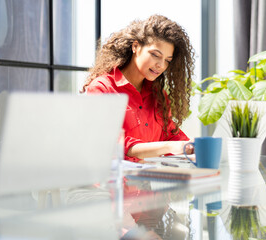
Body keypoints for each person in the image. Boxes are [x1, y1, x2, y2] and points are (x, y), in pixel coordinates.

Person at [82, 15, 195, 162]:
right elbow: (111, 143)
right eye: (155, 55)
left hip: (147, 181)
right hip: (112, 182)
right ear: (136, 46)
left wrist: (192, 145)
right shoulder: (101, 88)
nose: (161, 65)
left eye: (167, 60)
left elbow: (170, 135)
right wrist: (168, 147)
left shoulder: (158, 94)